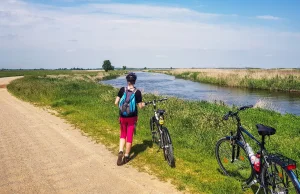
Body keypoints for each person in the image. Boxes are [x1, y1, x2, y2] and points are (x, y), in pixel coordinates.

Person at [114, 72, 144, 166]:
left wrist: (122, 109)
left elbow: (116, 102)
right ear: (134, 81)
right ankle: (126, 156)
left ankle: (120, 151)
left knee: (123, 134)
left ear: (127, 81)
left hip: (122, 116)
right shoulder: (137, 92)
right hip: (132, 118)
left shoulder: (122, 89)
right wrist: (142, 105)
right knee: (129, 136)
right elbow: (140, 106)